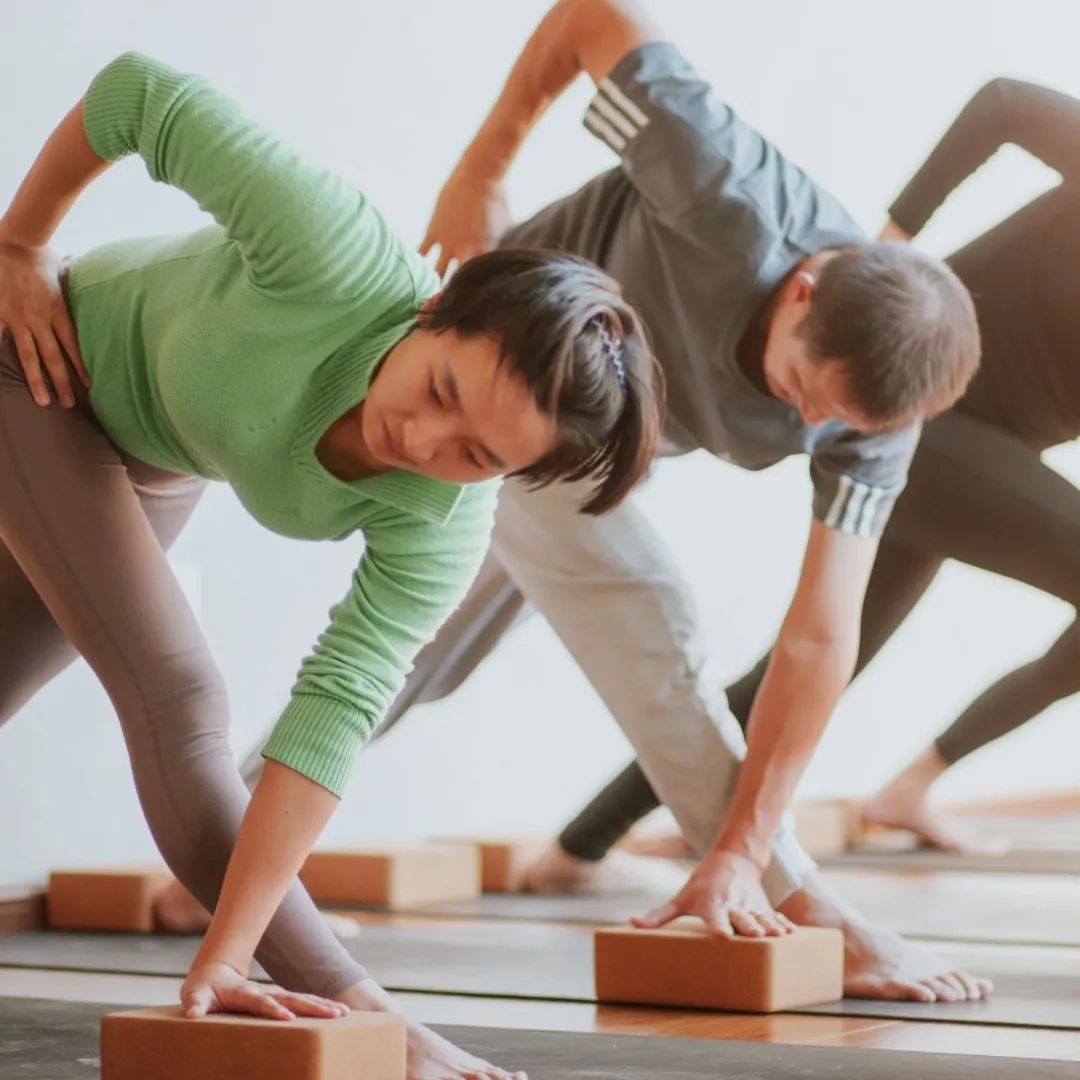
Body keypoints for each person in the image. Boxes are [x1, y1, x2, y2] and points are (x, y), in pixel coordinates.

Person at [212, 0, 992, 1006]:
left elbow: (817, 635)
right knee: (647, 613)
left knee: (423, 655)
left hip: (590, 449)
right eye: (802, 390)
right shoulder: (723, 187)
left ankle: (224, 840)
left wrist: (741, 846)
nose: (809, 425)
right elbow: (593, 16)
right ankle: (816, 911)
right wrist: (479, 173)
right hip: (509, 397)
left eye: (833, 423)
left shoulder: (875, 417)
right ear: (805, 289)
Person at [0, 50, 662, 1080]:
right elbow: (141, 92)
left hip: (149, 458)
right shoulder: (334, 252)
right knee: (178, 691)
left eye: (478, 453)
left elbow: (331, 720)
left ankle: (351, 1006)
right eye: (441, 389)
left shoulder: (442, 519)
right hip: (36, 366)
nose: (426, 441)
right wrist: (18, 243)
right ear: (440, 311)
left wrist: (228, 948)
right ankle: (376, 1015)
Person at [546, 75, 1080, 868]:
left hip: (975, 463)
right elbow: (1003, 105)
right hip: (895, 421)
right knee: (816, 653)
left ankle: (577, 848)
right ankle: (589, 846)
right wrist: (891, 240)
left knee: (809, 669)